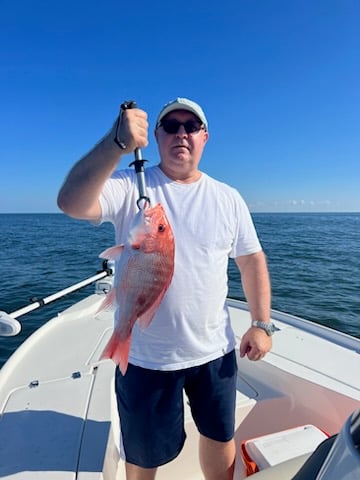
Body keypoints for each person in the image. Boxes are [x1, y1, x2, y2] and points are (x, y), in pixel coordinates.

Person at [57, 97, 273, 480]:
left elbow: (251, 260)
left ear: (205, 137)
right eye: (170, 126)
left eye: (191, 126)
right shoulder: (130, 185)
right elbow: (71, 202)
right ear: (156, 136)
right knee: (143, 455)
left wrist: (261, 322)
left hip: (215, 351)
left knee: (220, 436)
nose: (181, 134)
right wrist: (116, 143)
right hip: (147, 359)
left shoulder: (228, 198)